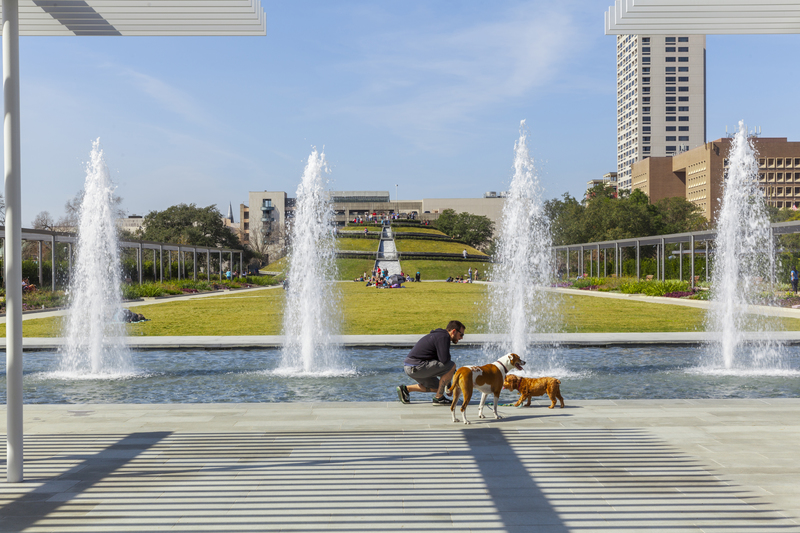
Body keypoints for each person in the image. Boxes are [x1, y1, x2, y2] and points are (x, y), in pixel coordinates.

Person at [397, 320, 466, 405]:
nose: (461, 338)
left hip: (411, 367)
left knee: (439, 387)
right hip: (416, 366)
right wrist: (449, 385)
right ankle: (439, 398)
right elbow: (445, 361)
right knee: (452, 365)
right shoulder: (443, 337)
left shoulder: (440, 335)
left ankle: (406, 389)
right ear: (454, 331)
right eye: (461, 334)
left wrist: (447, 386)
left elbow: (443, 363)